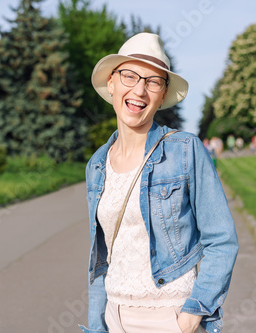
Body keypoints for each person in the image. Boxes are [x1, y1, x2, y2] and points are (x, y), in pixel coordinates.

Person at [81, 33, 239, 333]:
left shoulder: (185, 150)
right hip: (114, 317)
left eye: (153, 81)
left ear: (163, 95)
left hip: (170, 317)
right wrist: (96, 325)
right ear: (112, 83)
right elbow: (100, 258)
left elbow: (222, 240)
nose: (139, 90)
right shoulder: (97, 165)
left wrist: (191, 317)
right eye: (129, 76)